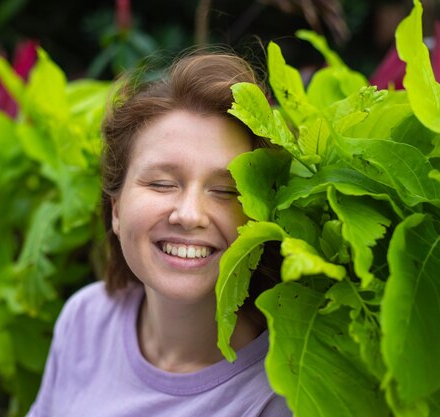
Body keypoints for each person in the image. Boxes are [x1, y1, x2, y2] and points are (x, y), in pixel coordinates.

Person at [26, 47, 290, 417]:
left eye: (228, 191)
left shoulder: (279, 394)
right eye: (163, 184)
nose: (189, 214)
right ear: (116, 209)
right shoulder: (85, 320)